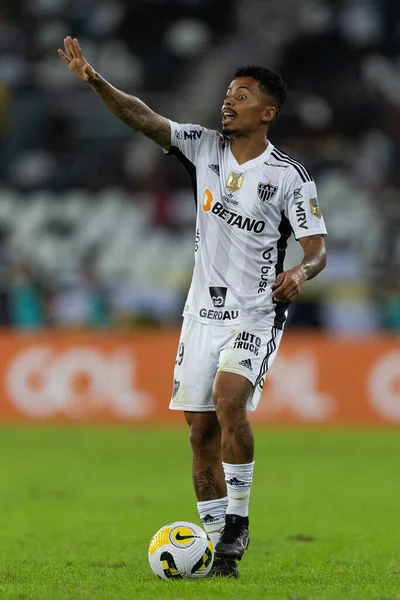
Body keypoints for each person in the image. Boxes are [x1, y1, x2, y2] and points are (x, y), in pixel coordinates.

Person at [59, 37, 327, 578]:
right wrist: (94, 80)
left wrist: (298, 273)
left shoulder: (289, 176)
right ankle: (212, 549)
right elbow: (143, 117)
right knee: (199, 431)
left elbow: (317, 250)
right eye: (227, 93)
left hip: (256, 310)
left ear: (267, 113)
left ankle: (237, 522)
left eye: (243, 95)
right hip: (200, 314)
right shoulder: (202, 147)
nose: (228, 101)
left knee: (231, 402)